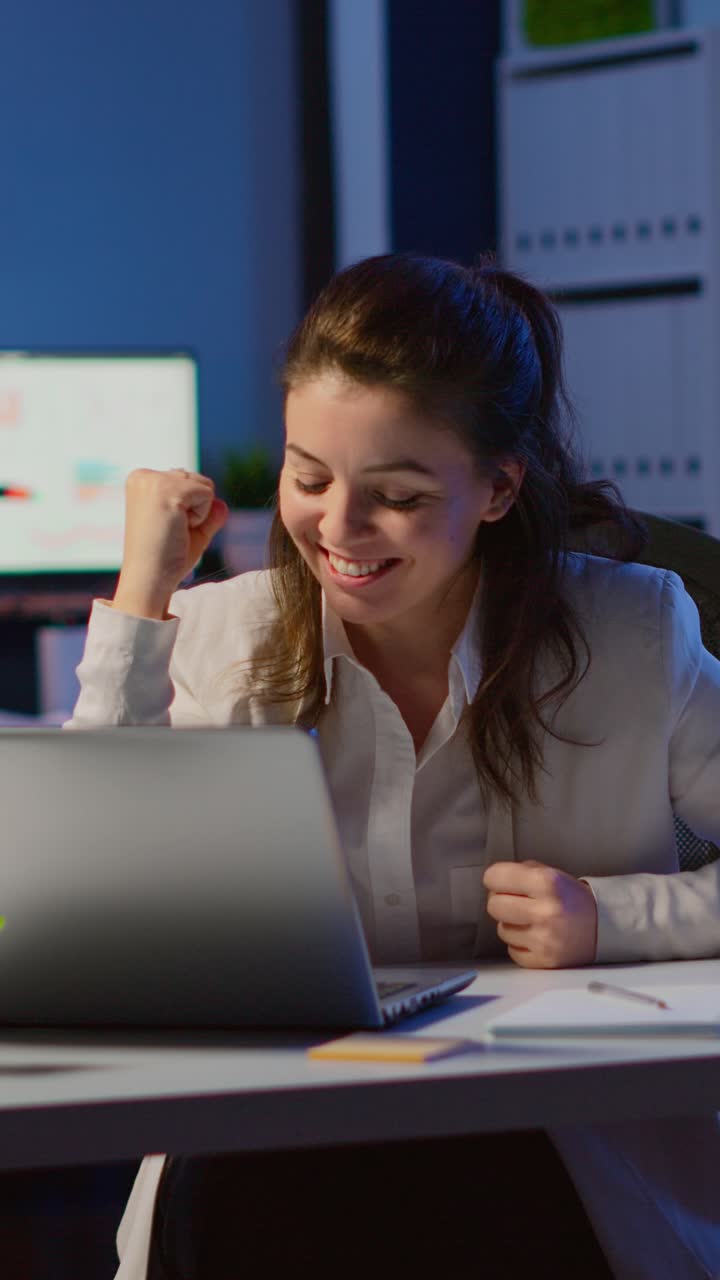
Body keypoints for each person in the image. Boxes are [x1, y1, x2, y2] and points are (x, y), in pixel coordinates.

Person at [68, 253, 720, 1279]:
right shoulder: (220, 637)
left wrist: (616, 917)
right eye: (308, 476)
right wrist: (145, 590)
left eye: (398, 494)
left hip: (539, 1156)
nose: (337, 529)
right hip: (271, 1148)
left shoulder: (633, 633)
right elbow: (74, 899)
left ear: (500, 486)